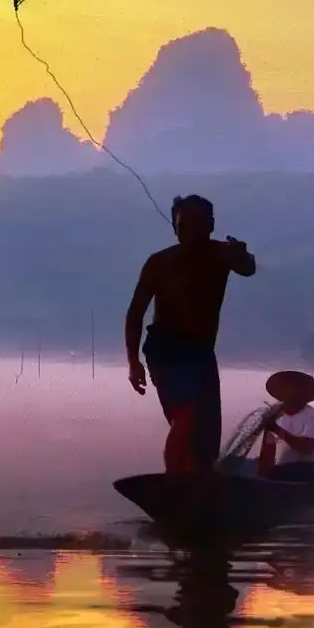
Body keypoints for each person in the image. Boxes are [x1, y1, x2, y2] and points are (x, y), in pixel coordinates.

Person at [124, 194, 256, 476]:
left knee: (207, 435)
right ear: (174, 227)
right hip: (165, 349)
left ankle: (198, 483)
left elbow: (248, 268)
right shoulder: (159, 263)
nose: (190, 232)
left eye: (198, 225)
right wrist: (133, 362)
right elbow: (135, 315)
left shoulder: (221, 254)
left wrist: (241, 254)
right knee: (185, 416)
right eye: (183, 225)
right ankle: (175, 481)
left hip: (201, 353)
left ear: (210, 226)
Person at [253, 369, 314, 482]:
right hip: (280, 471)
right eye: (287, 388)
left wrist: (276, 429)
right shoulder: (275, 415)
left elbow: (306, 448)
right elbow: (268, 449)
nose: (292, 391)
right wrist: (263, 476)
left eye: (297, 388)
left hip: (306, 472)